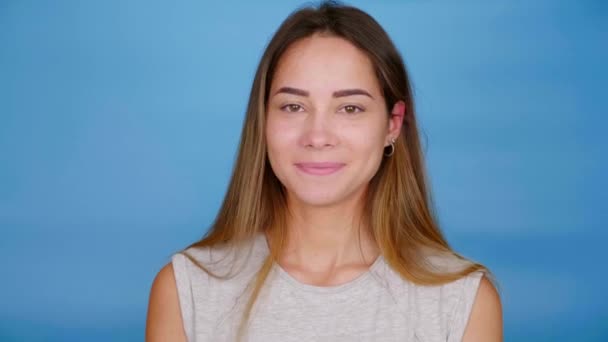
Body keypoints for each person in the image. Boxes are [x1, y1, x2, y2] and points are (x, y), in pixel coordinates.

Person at [146, 1, 503, 341]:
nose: (317, 136)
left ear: (393, 124)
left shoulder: (460, 300)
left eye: (350, 108)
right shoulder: (188, 290)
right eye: (293, 106)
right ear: (264, 120)